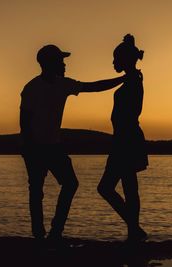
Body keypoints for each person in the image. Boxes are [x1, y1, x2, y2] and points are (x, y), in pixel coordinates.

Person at [20, 44, 125, 241]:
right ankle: (39, 234)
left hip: (53, 147)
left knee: (69, 184)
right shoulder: (31, 88)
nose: (64, 64)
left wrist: (121, 79)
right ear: (49, 63)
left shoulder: (63, 84)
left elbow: (93, 87)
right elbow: (24, 122)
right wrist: (29, 148)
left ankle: (55, 231)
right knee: (36, 191)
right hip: (35, 147)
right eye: (61, 61)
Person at [97, 34, 148, 242]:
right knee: (127, 187)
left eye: (115, 59)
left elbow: (131, 113)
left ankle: (134, 229)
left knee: (109, 187)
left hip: (126, 140)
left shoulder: (134, 81)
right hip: (125, 139)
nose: (113, 63)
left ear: (125, 60)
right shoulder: (132, 79)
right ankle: (134, 230)